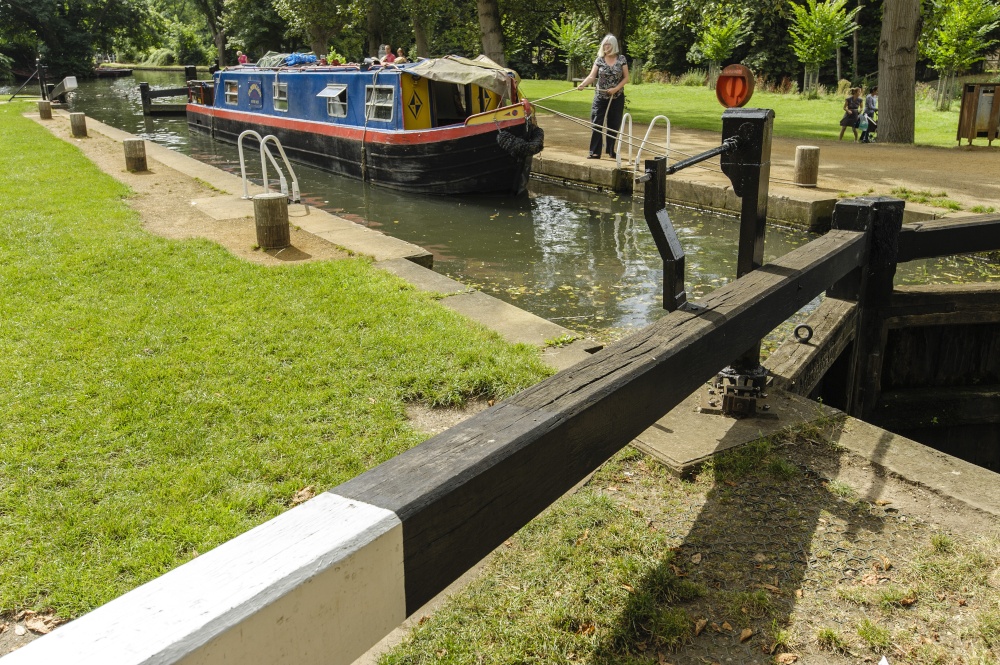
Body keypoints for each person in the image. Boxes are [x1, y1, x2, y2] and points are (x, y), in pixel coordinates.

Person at [576, 34, 629, 159]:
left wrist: (616, 89)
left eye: (608, 44)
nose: (606, 47)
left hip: (617, 97)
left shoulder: (621, 59)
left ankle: (611, 150)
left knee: (614, 124)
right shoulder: (599, 59)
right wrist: (583, 85)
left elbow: (626, 77)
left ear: (614, 45)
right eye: (604, 44)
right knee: (596, 123)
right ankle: (595, 152)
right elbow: (592, 76)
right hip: (600, 96)